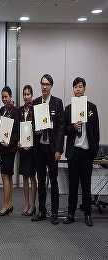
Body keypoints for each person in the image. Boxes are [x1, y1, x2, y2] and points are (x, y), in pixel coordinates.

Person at [63, 77, 99, 226]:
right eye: (75, 87)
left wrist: (94, 151)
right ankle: (70, 213)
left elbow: (96, 131)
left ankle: (87, 214)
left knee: (86, 184)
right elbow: (64, 129)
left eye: (80, 87)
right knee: (72, 184)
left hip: (86, 152)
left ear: (84, 89)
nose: (77, 89)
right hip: (74, 152)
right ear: (73, 90)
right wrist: (73, 128)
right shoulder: (68, 108)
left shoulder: (92, 108)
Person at [31, 74, 65, 225]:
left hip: (52, 150)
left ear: (51, 86)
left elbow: (60, 129)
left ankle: (55, 213)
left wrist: (58, 150)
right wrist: (35, 130)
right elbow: (32, 124)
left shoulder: (57, 103)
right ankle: (42, 211)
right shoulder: (36, 102)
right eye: (42, 84)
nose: (44, 87)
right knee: (41, 181)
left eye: (47, 84)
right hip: (39, 149)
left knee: (54, 181)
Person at [0, 86, 18, 216]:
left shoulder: (14, 111)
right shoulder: (1, 110)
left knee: (5, 175)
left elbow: (16, 131)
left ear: (10, 97)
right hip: (2, 147)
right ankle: (9, 203)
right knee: (7, 175)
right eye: (2, 97)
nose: (4, 99)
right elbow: (0, 131)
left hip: (10, 148)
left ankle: (6, 204)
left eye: (6, 97)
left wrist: (9, 143)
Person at [18, 85, 37, 216]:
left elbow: (37, 129)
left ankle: (34, 205)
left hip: (32, 149)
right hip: (22, 148)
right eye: (24, 94)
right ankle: (26, 203)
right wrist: (19, 141)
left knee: (32, 177)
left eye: (28, 94)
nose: (26, 97)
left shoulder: (35, 109)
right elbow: (17, 129)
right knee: (24, 177)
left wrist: (32, 144)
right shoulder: (19, 110)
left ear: (32, 95)